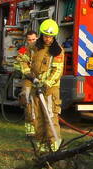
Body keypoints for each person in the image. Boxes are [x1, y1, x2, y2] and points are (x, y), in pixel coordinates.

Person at [27, 19, 65, 152]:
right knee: (36, 117)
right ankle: (42, 146)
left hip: (50, 90)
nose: (48, 39)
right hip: (35, 87)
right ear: (41, 34)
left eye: (50, 36)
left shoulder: (58, 51)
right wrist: (27, 73)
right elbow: (22, 59)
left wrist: (46, 84)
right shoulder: (34, 47)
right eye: (45, 36)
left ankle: (55, 147)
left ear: (54, 36)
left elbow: (57, 71)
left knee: (50, 117)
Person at [15, 30, 38, 137]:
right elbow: (17, 64)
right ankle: (30, 132)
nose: (31, 41)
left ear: (37, 38)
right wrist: (27, 72)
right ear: (26, 40)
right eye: (29, 40)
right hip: (28, 79)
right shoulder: (23, 50)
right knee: (28, 103)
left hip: (40, 79)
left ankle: (40, 129)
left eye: (33, 39)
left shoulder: (41, 50)